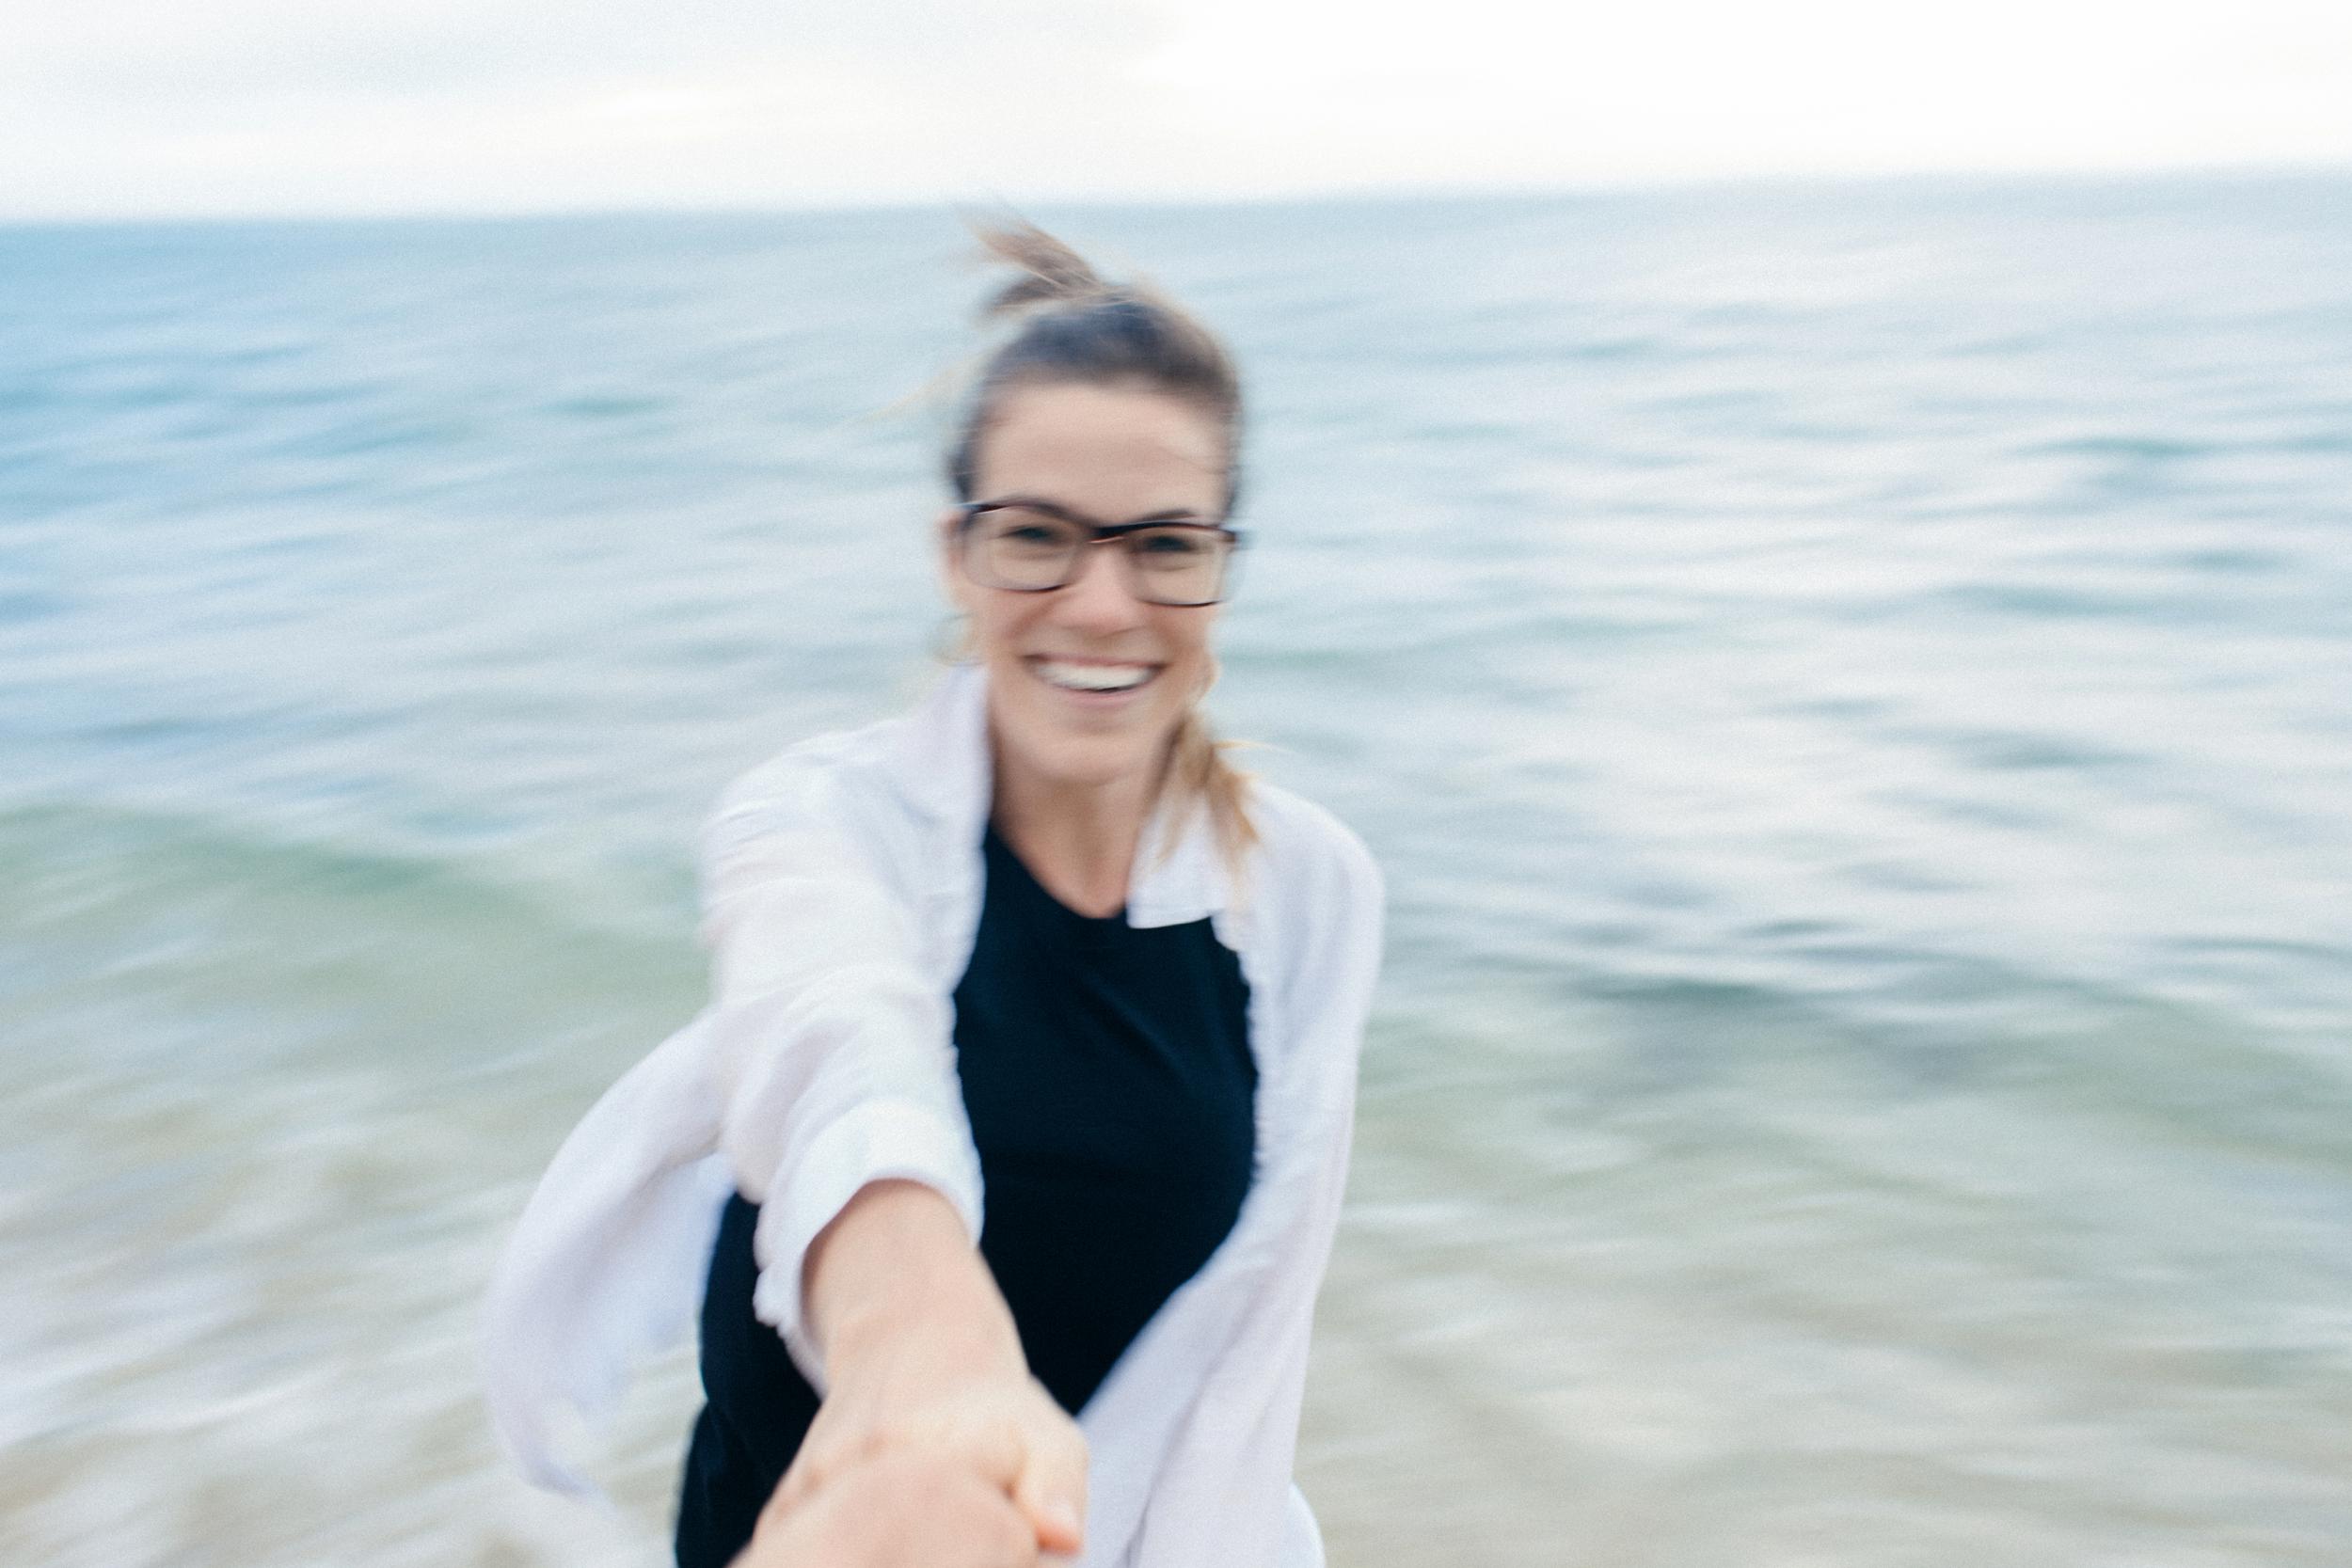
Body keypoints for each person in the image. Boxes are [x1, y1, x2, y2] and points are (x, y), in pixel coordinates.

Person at [480, 222, 1384, 1568]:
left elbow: (1245, 1358)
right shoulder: (824, 819)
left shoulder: (1303, 893)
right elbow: (833, 1036)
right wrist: (918, 1345)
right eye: (1038, 538)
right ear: (955, 555)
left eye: (1166, 547)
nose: (1100, 602)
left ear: (1223, 569)